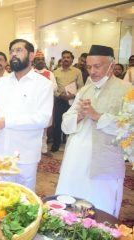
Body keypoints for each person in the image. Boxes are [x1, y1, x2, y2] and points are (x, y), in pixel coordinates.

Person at [56, 45, 132, 217]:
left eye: (97, 66)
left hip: (104, 160)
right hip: (75, 159)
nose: (92, 71)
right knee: (71, 203)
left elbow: (128, 126)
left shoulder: (127, 90)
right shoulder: (85, 90)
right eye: (89, 67)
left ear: (111, 65)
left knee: (100, 207)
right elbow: (65, 122)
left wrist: (97, 116)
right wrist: (79, 116)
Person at [0, 39, 53, 190]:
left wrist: (6, 122)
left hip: (25, 155)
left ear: (31, 56)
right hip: (0, 151)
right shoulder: (2, 83)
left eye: (19, 50)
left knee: (23, 199)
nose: (14, 54)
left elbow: (43, 119)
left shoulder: (43, 84)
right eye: (11, 51)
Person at [51, 50, 84, 152]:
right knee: (58, 122)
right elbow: (53, 88)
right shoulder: (55, 72)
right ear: (61, 59)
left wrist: (73, 95)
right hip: (60, 100)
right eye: (64, 57)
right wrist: (59, 95)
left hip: (72, 101)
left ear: (72, 59)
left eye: (68, 57)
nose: (66, 59)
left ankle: (71, 145)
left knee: (72, 121)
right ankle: (56, 144)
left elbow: (81, 87)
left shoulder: (77, 72)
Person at [33, 50, 57, 157]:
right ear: (34, 61)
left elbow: (55, 87)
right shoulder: (30, 73)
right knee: (33, 128)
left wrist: (42, 90)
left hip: (45, 105)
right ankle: (33, 149)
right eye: (37, 59)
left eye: (42, 59)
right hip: (32, 105)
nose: (40, 61)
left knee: (44, 128)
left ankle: (44, 149)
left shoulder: (49, 73)